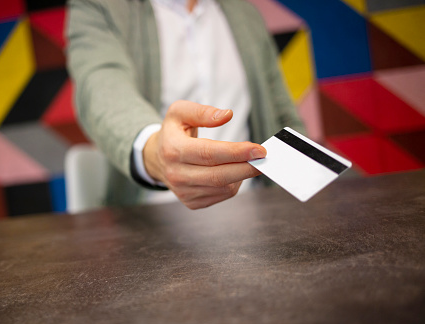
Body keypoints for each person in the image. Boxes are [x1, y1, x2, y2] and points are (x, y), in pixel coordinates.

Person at [66, 0, 304, 209]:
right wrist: (154, 151)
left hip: (257, 210)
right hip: (151, 220)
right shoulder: (99, 6)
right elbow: (102, 89)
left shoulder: (245, 14)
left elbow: (282, 113)